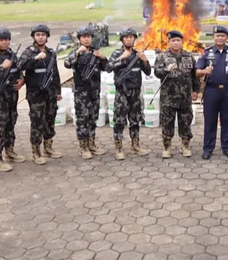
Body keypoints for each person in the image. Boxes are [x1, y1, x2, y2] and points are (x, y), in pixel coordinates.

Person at [195, 25, 228, 160]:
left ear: (226, 38)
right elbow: (197, 71)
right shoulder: (206, 53)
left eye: (222, 36)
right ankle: (208, 148)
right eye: (217, 36)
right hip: (211, 90)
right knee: (210, 121)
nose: (220, 38)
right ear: (213, 37)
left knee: (227, 120)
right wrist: (204, 71)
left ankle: (227, 147)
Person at [18, 24, 62, 165]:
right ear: (33, 37)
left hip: (50, 93)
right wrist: (35, 59)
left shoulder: (51, 53)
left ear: (47, 37)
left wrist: (58, 91)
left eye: (43, 35)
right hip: (35, 94)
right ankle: (36, 152)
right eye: (38, 35)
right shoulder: (29, 52)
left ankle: (48, 147)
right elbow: (20, 65)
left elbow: (55, 74)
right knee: (37, 122)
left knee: (50, 119)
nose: (41, 37)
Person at [106, 28, 151, 160]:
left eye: (131, 37)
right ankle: (119, 147)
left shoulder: (138, 54)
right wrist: (121, 58)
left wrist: (144, 60)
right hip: (122, 93)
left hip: (135, 93)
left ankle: (135, 144)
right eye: (126, 37)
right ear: (122, 40)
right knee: (119, 120)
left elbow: (148, 72)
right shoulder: (117, 53)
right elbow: (108, 68)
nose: (129, 39)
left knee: (135, 119)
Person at [154, 30, 200, 158]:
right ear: (169, 42)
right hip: (168, 97)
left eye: (178, 40)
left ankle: (185, 145)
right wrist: (165, 70)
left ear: (182, 42)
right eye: (173, 40)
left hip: (184, 97)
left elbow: (194, 75)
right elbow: (156, 72)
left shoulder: (189, 56)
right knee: (167, 122)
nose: (175, 43)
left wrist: (196, 90)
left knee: (185, 121)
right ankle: (166, 147)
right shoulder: (162, 57)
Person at [64, 26, 108, 159]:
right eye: (84, 37)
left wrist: (103, 57)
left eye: (89, 37)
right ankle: (83, 147)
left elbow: (108, 67)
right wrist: (77, 53)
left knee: (93, 117)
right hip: (81, 91)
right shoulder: (76, 52)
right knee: (82, 119)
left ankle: (92, 144)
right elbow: (67, 63)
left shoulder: (96, 52)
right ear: (79, 39)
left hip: (94, 90)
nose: (87, 39)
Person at [0, 27, 25, 172]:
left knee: (10, 122)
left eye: (7, 39)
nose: (5, 42)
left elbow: (18, 71)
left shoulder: (11, 54)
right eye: (2, 40)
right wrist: (1, 67)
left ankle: (9, 151)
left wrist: (21, 80)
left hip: (11, 95)